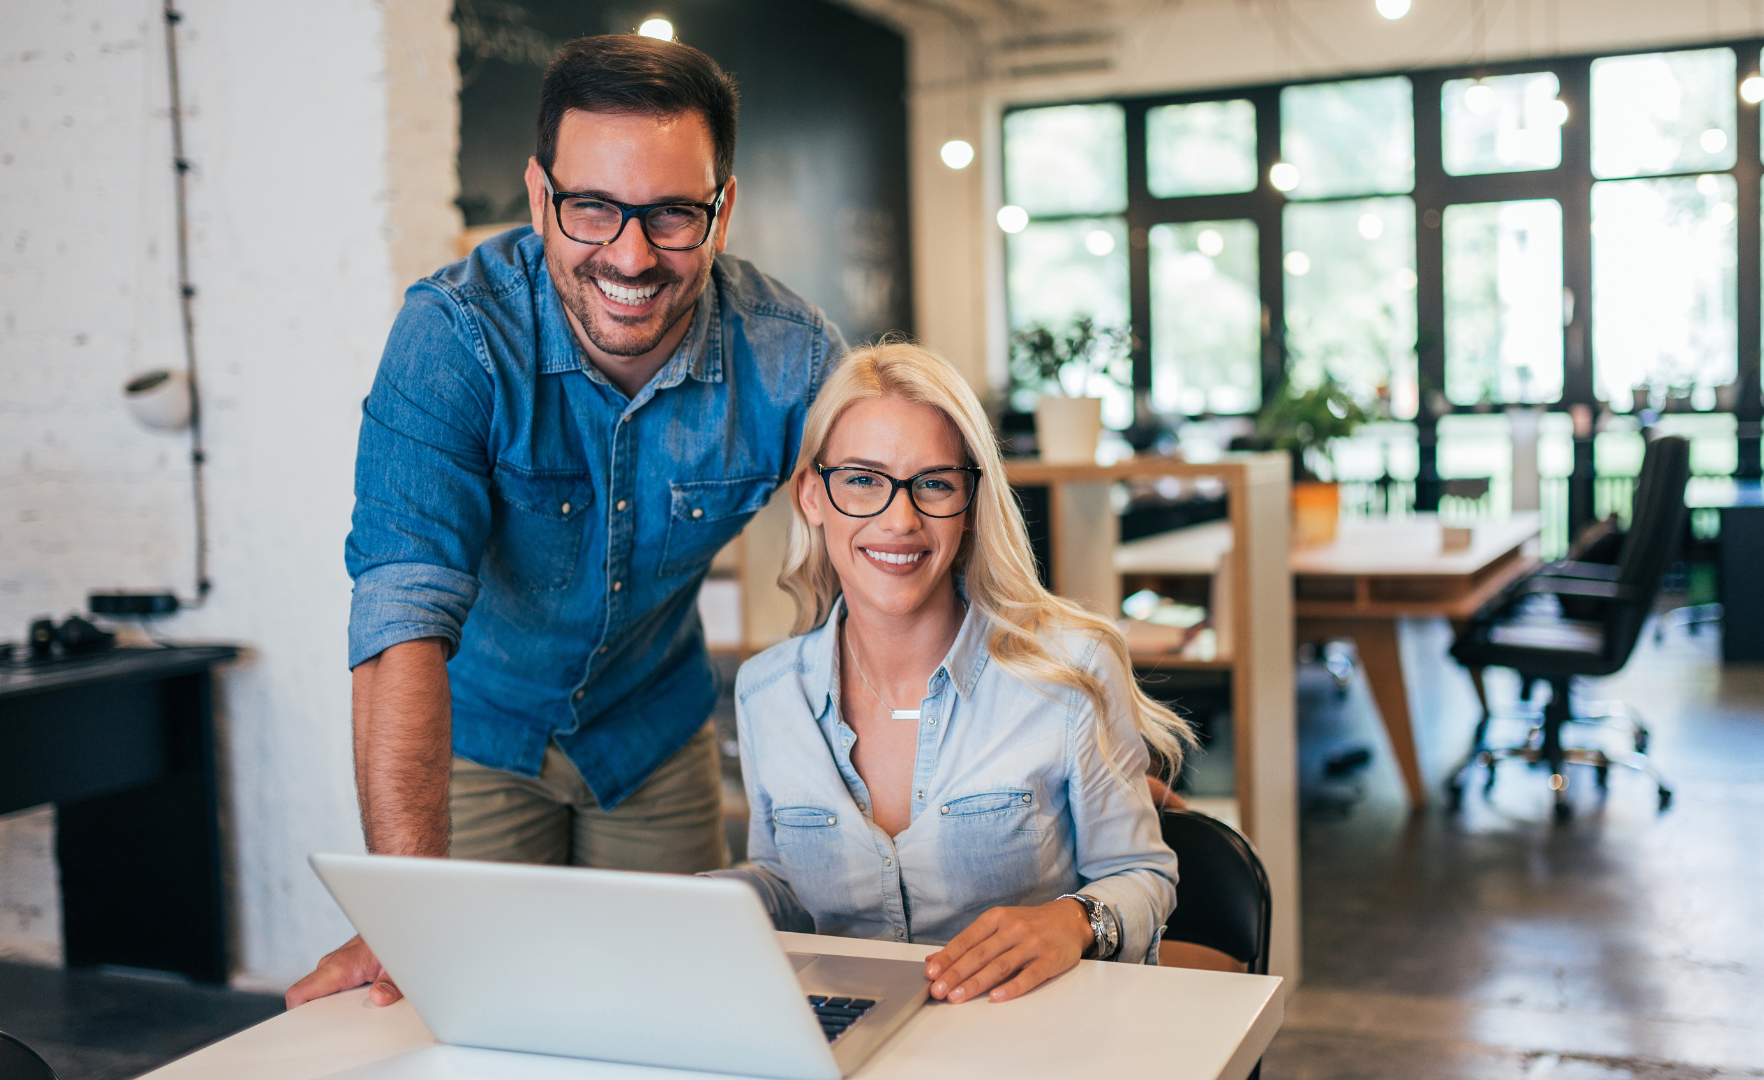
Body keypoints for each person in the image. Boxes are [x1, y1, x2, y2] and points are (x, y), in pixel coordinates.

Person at [287, 35, 845, 1009]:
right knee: (470, 1011)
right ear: (540, 196)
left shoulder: (790, 358)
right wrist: (405, 911)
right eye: (593, 208)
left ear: (723, 208)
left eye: (674, 214)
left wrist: (1063, 735)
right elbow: (399, 617)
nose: (630, 256)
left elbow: (910, 553)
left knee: (677, 1014)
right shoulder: (454, 337)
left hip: (653, 733)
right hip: (475, 735)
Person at [707, 342, 1192, 1004]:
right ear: (812, 497)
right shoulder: (767, 692)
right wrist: (702, 900)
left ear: (969, 504)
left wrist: (1074, 922)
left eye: (934, 483)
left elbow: (1141, 872)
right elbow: (788, 885)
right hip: (851, 1038)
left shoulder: (1069, 671)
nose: (899, 520)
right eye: (863, 480)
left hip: (1029, 1039)